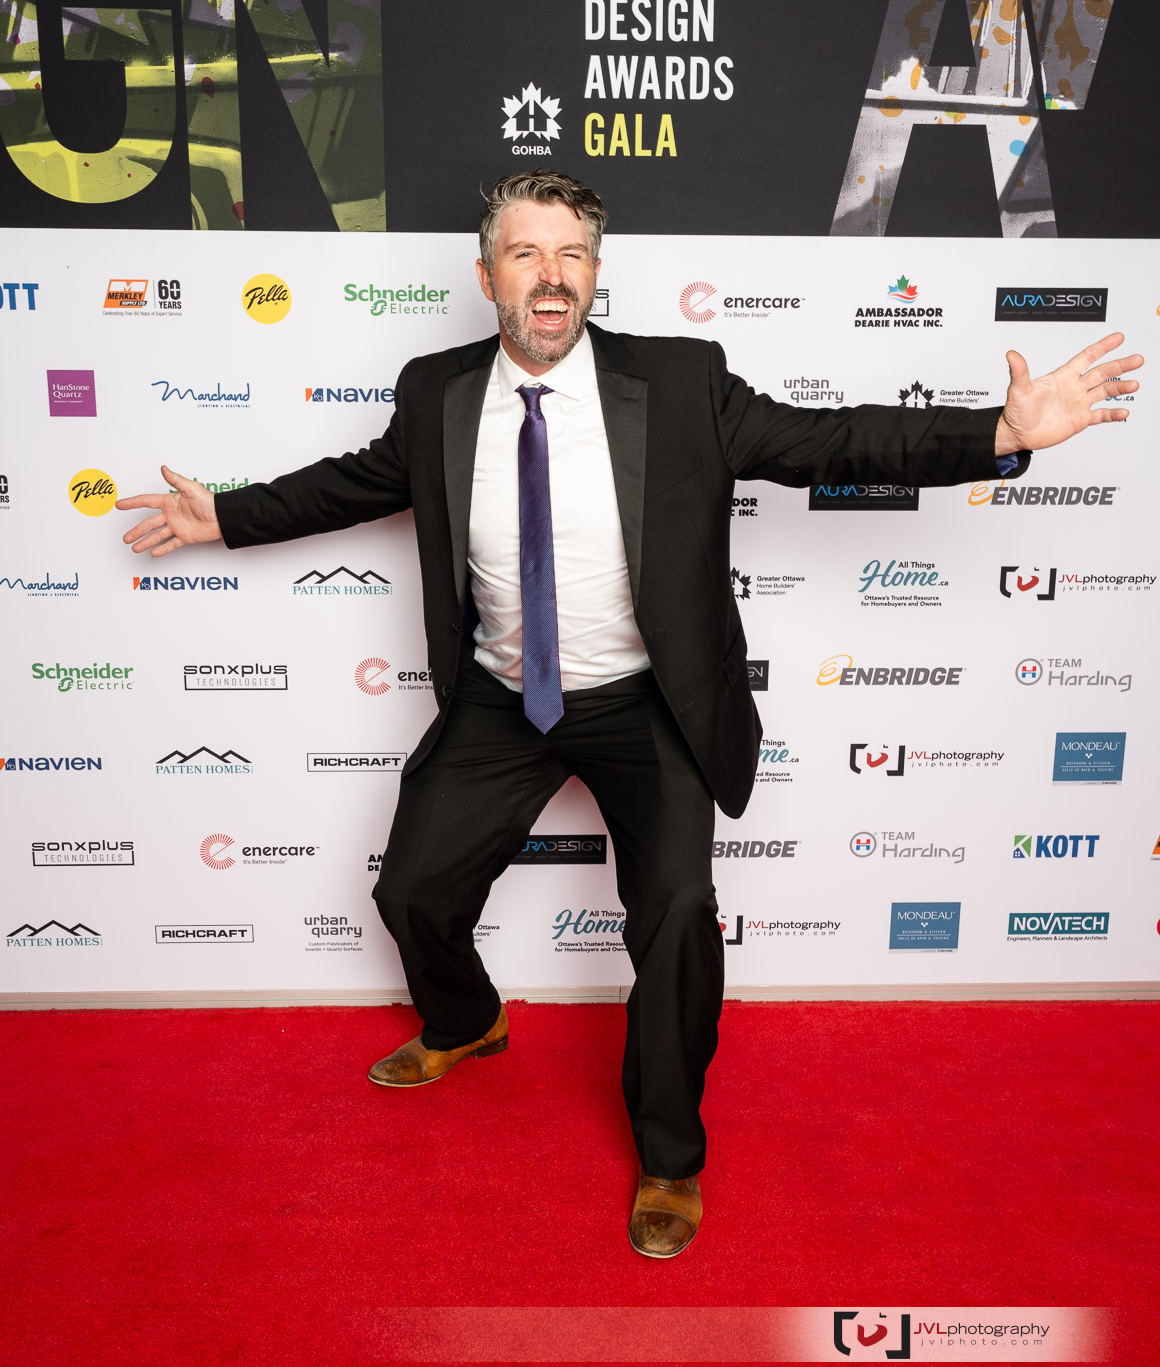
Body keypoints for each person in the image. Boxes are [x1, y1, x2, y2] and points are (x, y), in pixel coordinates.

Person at [117, 170, 1142, 1258]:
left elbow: (830, 442)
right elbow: (357, 481)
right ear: (486, 276)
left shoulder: (681, 381)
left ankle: (668, 1155)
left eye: (571, 255)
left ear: (595, 274)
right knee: (411, 889)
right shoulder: (436, 391)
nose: (550, 276)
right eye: (526, 254)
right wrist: (228, 516)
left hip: (646, 698)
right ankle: (467, 1020)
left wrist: (997, 431)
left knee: (675, 914)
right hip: (502, 696)